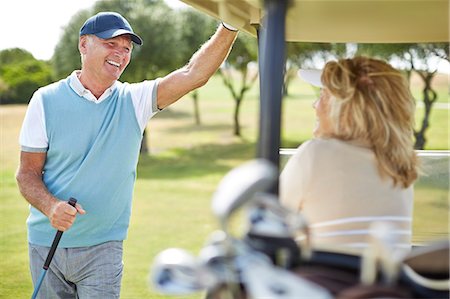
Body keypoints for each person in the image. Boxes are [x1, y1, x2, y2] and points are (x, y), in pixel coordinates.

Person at [16, 11, 238, 298]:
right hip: (47, 243)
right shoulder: (45, 101)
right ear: (84, 45)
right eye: (111, 44)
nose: (120, 54)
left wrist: (231, 25)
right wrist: (50, 207)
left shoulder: (135, 100)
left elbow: (193, 74)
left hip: (104, 247)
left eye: (127, 49)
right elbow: (27, 174)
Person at [280, 56, 418, 251]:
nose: (315, 105)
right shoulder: (401, 163)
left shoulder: (315, 155)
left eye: (323, 95)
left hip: (328, 279)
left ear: (345, 107)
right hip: (387, 280)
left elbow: (270, 222)